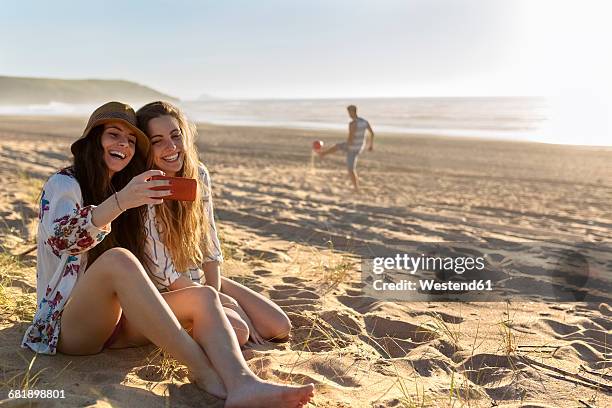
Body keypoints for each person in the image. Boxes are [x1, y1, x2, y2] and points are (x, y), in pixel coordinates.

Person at [21, 101, 314, 408]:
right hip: (71, 329)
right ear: (93, 139)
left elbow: (203, 246)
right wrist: (121, 201)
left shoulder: (122, 184)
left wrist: (124, 197)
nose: (123, 144)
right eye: (113, 135)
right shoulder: (65, 184)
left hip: (121, 324)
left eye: (131, 140)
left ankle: (244, 384)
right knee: (118, 259)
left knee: (204, 297)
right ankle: (203, 373)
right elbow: (64, 239)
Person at [135, 101, 291, 346]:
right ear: (146, 147)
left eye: (176, 136)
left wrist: (216, 290)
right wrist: (218, 301)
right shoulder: (144, 186)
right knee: (239, 332)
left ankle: (216, 305)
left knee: (279, 327)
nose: (171, 147)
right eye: (158, 141)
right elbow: (164, 274)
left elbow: (209, 242)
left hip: (197, 280)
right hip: (166, 291)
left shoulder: (199, 173)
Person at [317, 105, 374, 191]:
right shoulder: (364, 122)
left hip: (352, 147)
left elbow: (350, 138)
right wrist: (370, 145)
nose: (349, 114)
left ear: (352, 112)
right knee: (337, 146)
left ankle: (356, 188)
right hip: (360, 147)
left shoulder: (352, 124)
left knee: (350, 169)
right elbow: (372, 133)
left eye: (349, 112)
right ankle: (323, 154)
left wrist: (347, 146)